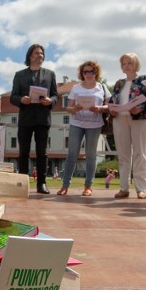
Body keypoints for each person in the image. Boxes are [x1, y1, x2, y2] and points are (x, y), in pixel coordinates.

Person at [56, 60, 110, 196]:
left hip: (95, 124)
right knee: (72, 154)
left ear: (96, 73)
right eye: (86, 72)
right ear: (82, 73)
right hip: (77, 124)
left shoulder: (102, 87)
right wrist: (75, 108)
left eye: (92, 71)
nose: (89, 74)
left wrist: (100, 108)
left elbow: (109, 106)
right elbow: (68, 107)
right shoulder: (76, 88)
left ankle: (88, 186)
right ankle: (65, 185)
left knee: (91, 155)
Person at [10, 44, 58, 194]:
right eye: (36, 53)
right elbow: (13, 97)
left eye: (42, 53)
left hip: (43, 119)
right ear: (30, 56)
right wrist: (21, 100)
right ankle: (22, 184)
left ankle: (41, 184)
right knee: (23, 152)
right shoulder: (19, 75)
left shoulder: (50, 74)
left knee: (42, 153)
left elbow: (55, 95)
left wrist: (51, 101)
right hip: (26, 118)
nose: (40, 55)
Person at [108, 53, 146, 199]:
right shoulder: (119, 83)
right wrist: (111, 110)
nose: (126, 66)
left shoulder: (144, 80)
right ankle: (124, 188)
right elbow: (112, 100)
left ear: (136, 64)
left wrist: (140, 108)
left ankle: (141, 189)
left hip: (139, 119)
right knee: (123, 155)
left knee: (139, 154)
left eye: (129, 63)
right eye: (124, 63)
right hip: (120, 120)